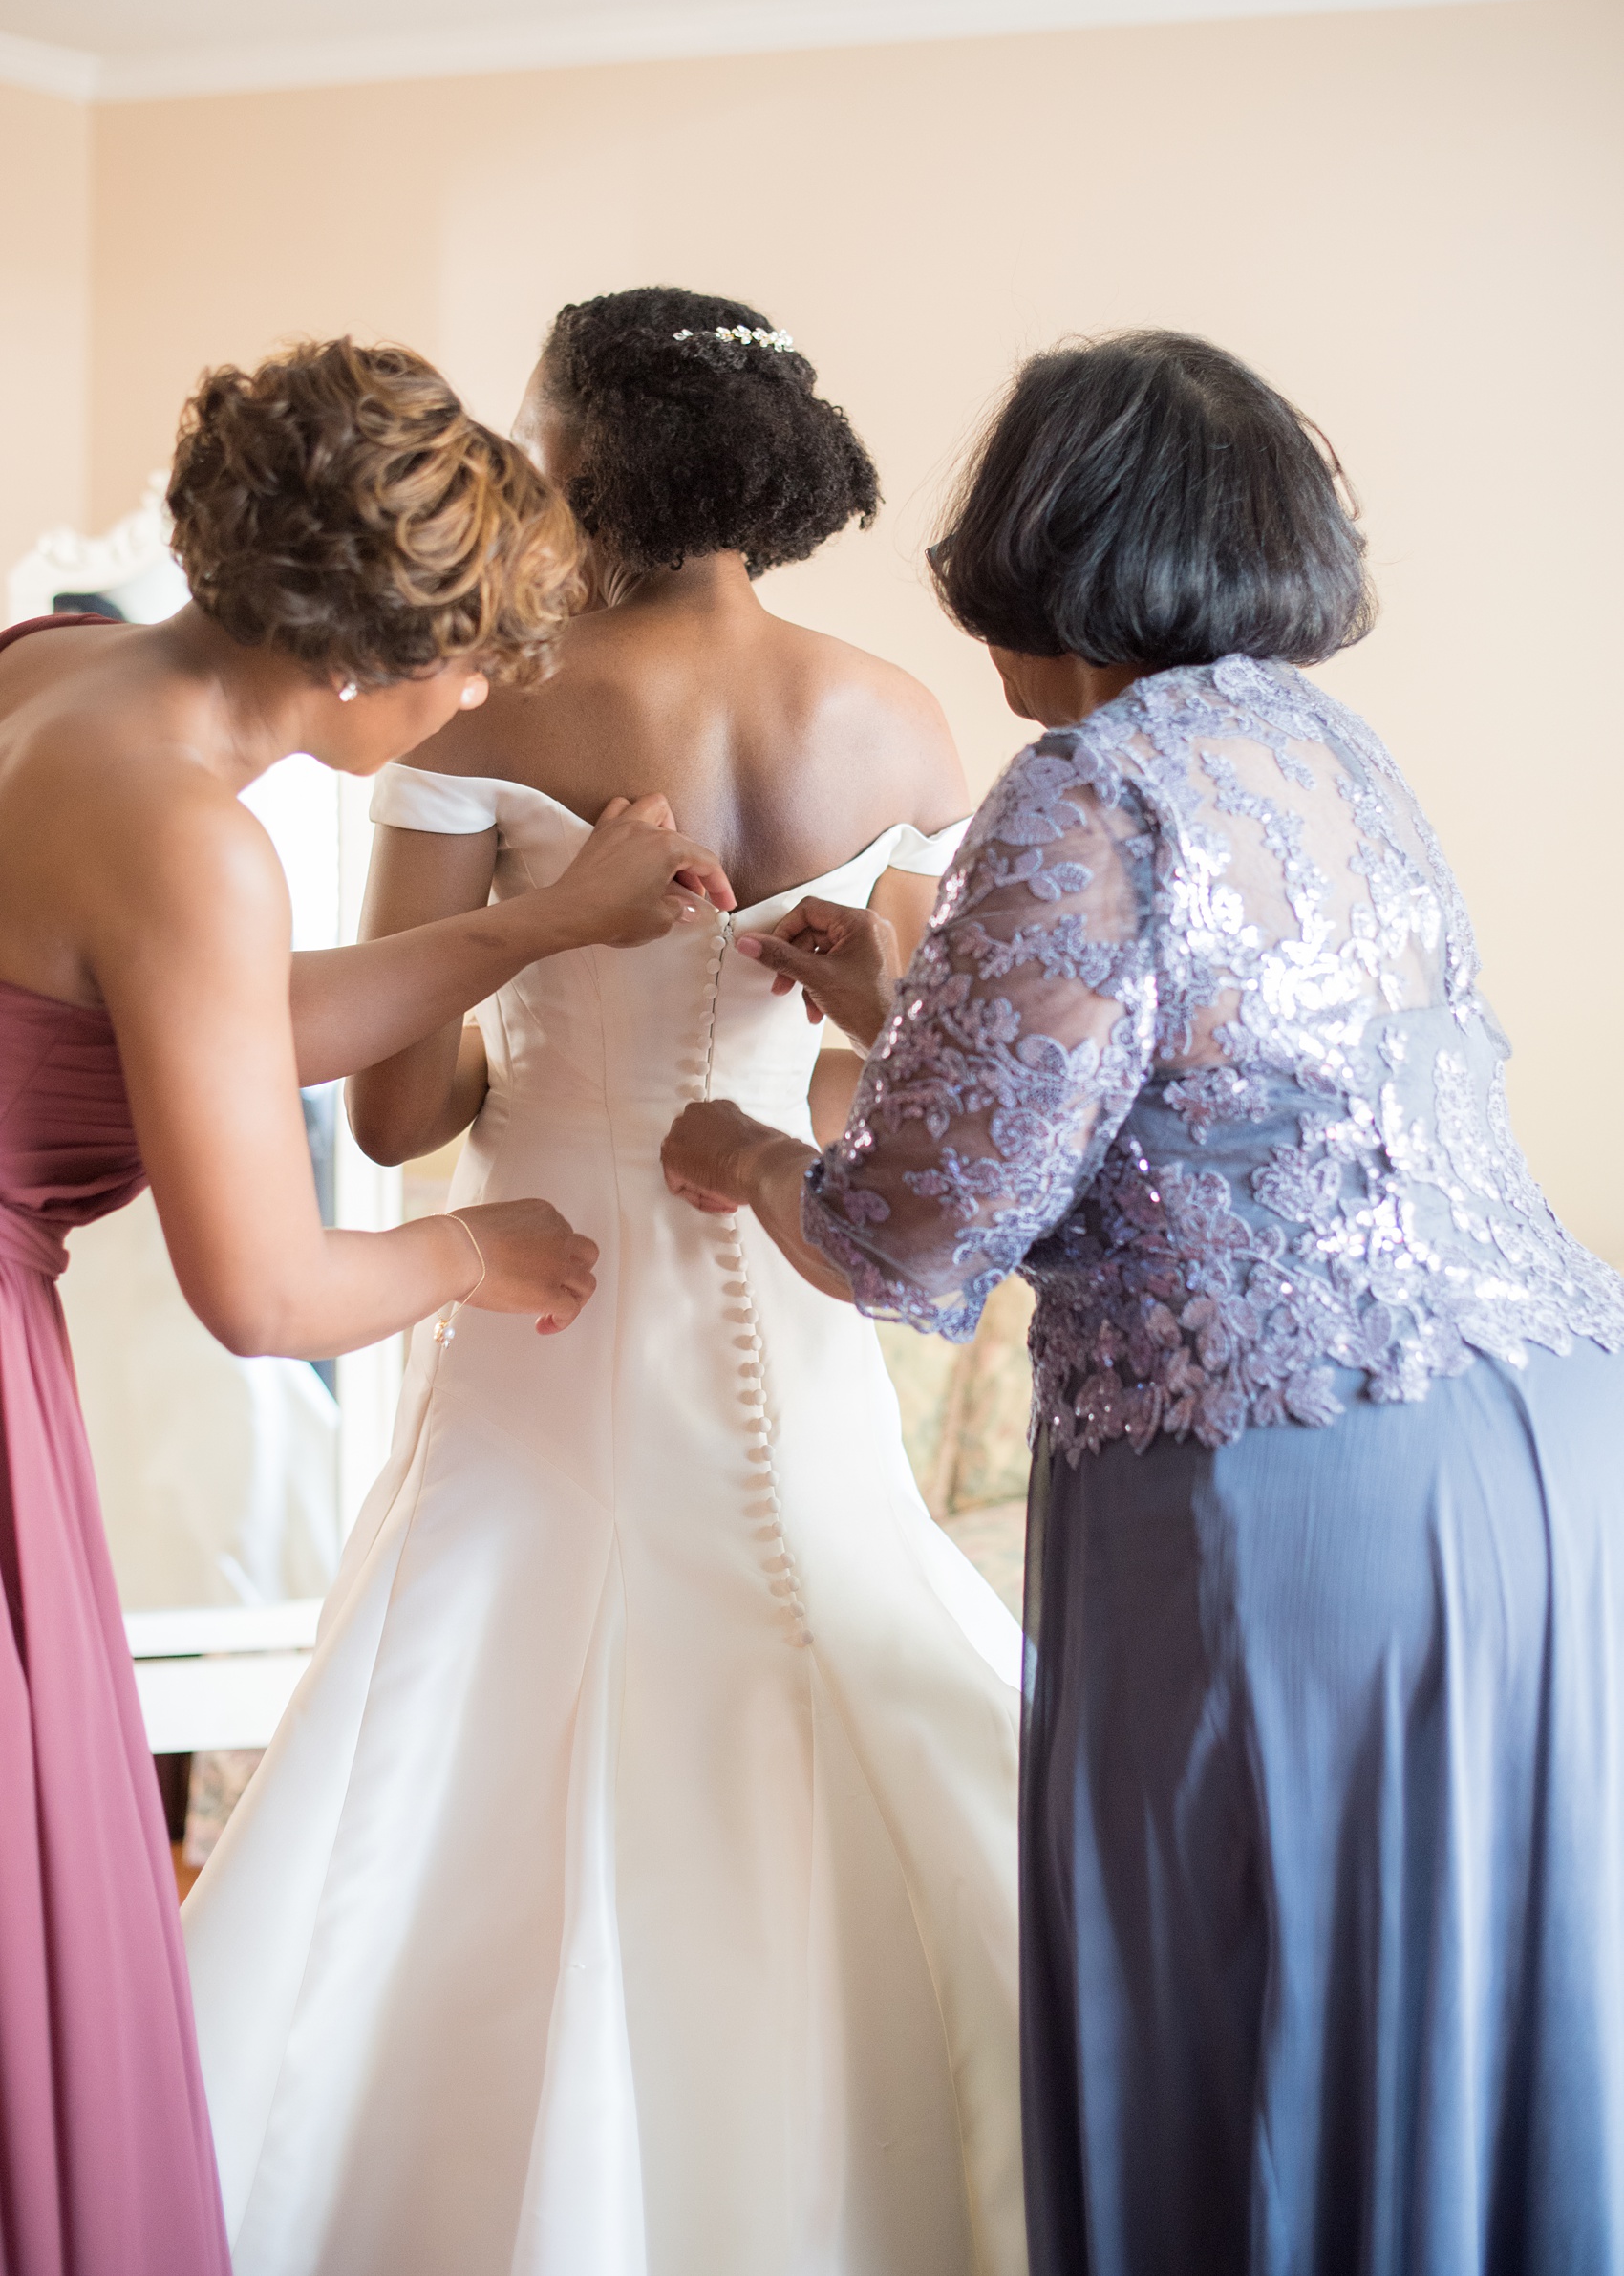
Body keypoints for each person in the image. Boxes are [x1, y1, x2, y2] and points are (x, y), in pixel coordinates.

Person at [663, 330, 1624, 2275]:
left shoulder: (1084, 788)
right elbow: (1205, 1095)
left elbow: (906, 1243)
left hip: (1284, 1483)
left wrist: (743, 1148)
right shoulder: (1324, 751)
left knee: (1249, 1998)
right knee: (1445, 1980)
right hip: (1531, 1442)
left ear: (1049, 543)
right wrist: (914, 1013)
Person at [182, 288, 1027, 2276]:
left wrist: (546, 1056)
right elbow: (902, 1071)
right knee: (820, 1624)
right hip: (786, 1256)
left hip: (537, 1289)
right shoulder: (901, 716)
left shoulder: (494, 710)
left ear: (578, 455)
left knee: (472, 1693)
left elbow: (395, 1109)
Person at [0, 334, 732, 2276]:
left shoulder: (53, 674)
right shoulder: (191, 837)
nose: (487, 691)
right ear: (360, 655)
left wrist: (530, 926)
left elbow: (195, 1017)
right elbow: (265, 1288)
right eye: (473, 656)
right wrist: (478, 1257)